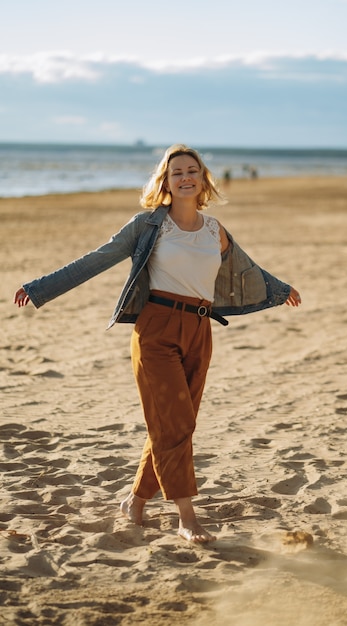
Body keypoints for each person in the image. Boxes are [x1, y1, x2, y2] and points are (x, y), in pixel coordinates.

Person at [14, 144, 301, 544]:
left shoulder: (214, 230)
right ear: (165, 182)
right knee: (176, 424)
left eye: (192, 171)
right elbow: (98, 258)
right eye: (176, 172)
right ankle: (186, 516)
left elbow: (245, 269)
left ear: (203, 180)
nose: (185, 177)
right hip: (156, 330)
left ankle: (136, 500)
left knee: (174, 425)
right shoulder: (149, 225)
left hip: (201, 331)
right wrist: (40, 288)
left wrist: (279, 289)